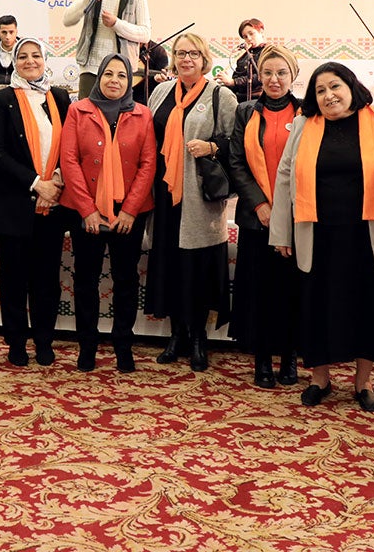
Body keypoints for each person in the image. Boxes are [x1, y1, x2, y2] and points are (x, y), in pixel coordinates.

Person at [268, 61, 374, 408]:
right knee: (315, 307)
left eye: (334, 86)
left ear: (351, 86)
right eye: (320, 91)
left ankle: (363, 382)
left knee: (369, 307)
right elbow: (285, 177)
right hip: (316, 234)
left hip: (370, 236)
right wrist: (281, 233)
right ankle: (320, 379)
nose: (328, 95)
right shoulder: (305, 125)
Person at [145, 32, 237, 371]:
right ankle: (176, 335)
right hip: (165, 196)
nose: (187, 59)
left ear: (204, 59)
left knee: (196, 271)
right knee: (170, 265)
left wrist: (211, 148)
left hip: (199, 200)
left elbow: (235, 146)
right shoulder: (160, 92)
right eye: (181, 53)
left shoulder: (220, 96)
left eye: (194, 54)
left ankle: (198, 338)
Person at [60, 53, 156, 373]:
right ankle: (87, 346)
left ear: (130, 81)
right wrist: (87, 210)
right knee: (86, 279)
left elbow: (148, 165)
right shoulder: (78, 110)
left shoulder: (143, 115)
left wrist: (129, 211)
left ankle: (123, 346)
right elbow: (69, 160)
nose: (114, 80)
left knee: (125, 279)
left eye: (122, 76)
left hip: (129, 211)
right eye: (108, 74)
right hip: (86, 210)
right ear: (99, 77)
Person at [0, 37, 72, 367]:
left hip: (54, 204)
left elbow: (71, 144)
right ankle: (17, 342)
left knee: (47, 279)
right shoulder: (3, 99)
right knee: (15, 279)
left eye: (36, 55)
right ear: (14, 62)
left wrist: (59, 178)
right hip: (14, 203)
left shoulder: (59, 97)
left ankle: (45, 341)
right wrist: (36, 183)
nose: (30, 61)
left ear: (45, 60)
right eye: (23, 56)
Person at [228, 45, 304, 388]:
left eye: (281, 73)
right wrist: (260, 204)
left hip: (297, 217)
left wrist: (286, 210)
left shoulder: (307, 113)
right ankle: (261, 361)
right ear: (259, 76)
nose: (274, 79)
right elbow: (236, 161)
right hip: (256, 217)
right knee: (259, 291)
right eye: (268, 73)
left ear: (293, 76)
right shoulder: (245, 112)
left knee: (291, 291)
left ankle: (289, 358)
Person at [62, 0, 151, 97]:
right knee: (87, 116)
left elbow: (145, 34)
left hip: (121, 71)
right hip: (90, 67)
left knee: (118, 117)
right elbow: (68, 19)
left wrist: (116, 24)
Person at [215, 19, 267, 101]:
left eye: (251, 33)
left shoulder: (269, 52)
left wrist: (233, 82)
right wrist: (227, 81)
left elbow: (262, 76)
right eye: (245, 37)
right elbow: (236, 78)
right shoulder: (243, 56)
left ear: (261, 32)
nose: (249, 38)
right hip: (241, 98)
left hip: (259, 98)